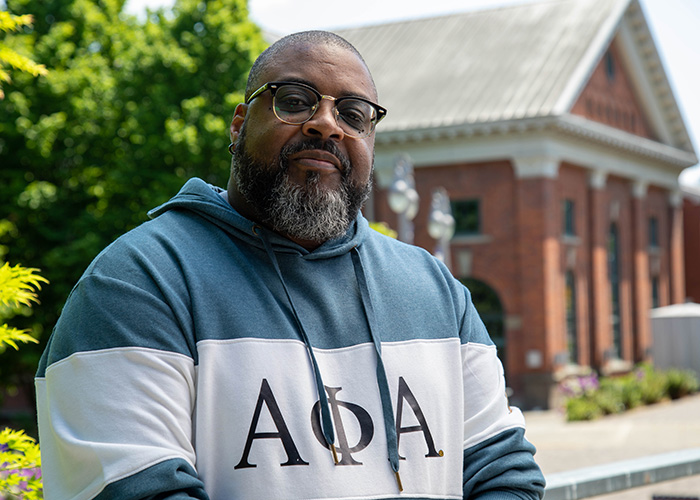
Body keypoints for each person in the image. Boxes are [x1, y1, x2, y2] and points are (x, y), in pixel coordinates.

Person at [36, 30, 545, 500]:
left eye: (353, 114)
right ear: (239, 124)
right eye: (295, 101)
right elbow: (137, 491)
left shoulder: (434, 289)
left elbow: (503, 473)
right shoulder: (138, 282)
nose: (327, 124)